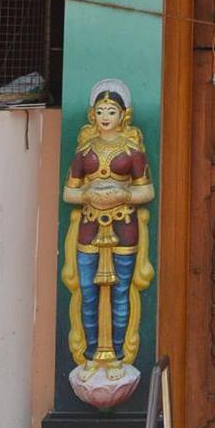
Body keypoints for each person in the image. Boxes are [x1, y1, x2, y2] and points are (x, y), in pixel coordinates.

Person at [61, 79, 155, 382]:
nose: (105, 116)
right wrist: (89, 195)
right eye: (100, 110)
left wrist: (123, 195)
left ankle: (115, 353)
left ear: (123, 115)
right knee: (88, 290)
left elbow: (147, 192)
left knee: (120, 292)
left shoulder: (132, 151)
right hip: (89, 226)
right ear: (92, 113)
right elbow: (69, 193)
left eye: (111, 110)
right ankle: (91, 355)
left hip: (124, 226)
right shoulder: (85, 149)